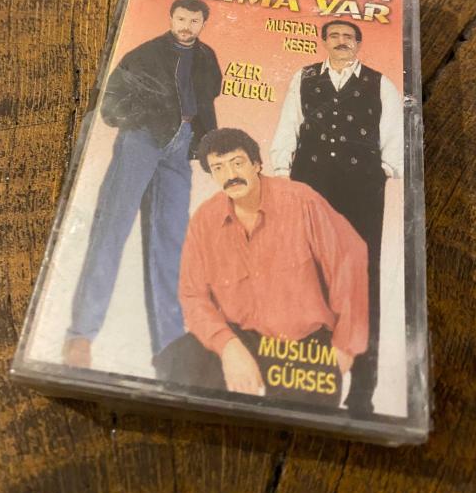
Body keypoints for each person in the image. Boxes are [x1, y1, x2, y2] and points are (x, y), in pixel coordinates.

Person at [155, 128, 368, 408]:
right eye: (219, 167)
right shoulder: (205, 220)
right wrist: (229, 347)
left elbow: (348, 259)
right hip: (243, 338)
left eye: (237, 162)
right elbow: (192, 295)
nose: (230, 174)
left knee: (300, 417)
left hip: (303, 345)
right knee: (176, 362)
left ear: (256, 164)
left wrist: (345, 346)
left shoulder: (301, 201)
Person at [63, 0, 222, 368]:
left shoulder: (206, 57)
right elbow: (110, 104)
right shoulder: (145, 54)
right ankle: (81, 335)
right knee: (111, 229)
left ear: (202, 23)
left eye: (194, 21)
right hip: (142, 140)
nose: (186, 26)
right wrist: (144, 120)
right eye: (181, 18)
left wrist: (206, 143)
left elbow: (207, 101)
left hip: (181, 145)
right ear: (171, 18)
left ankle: (170, 346)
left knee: (171, 240)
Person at [270, 19, 403, 415]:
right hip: (310, 186)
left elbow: (394, 137)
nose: (341, 42)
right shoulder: (304, 78)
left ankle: (361, 392)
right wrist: (282, 172)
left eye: (348, 37)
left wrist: (381, 172)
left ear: (358, 43)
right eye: (335, 36)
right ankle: (308, 383)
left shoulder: (380, 84)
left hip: (361, 192)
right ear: (324, 41)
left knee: (361, 282)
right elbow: (289, 126)